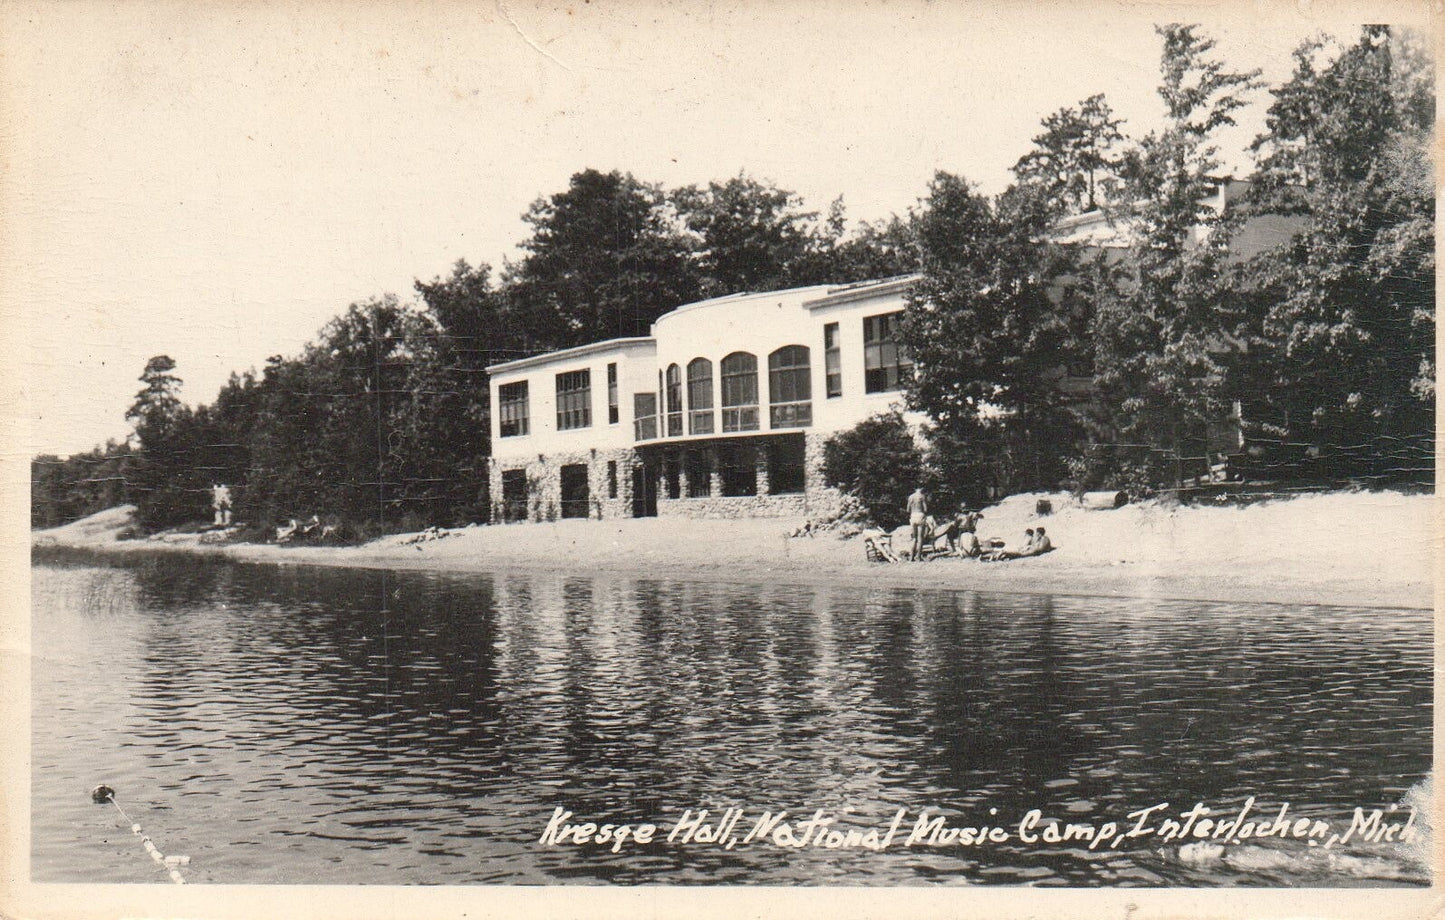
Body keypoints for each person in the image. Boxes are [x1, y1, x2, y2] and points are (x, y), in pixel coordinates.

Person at [906, 487, 928, 560]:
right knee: (920, 538)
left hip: (913, 515)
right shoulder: (922, 496)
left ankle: (911, 557)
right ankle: (918, 556)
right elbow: (925, 509)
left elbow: (907, 509)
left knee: (914, 538)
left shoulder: (911, 497)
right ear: (920, 488)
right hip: (920, 515)